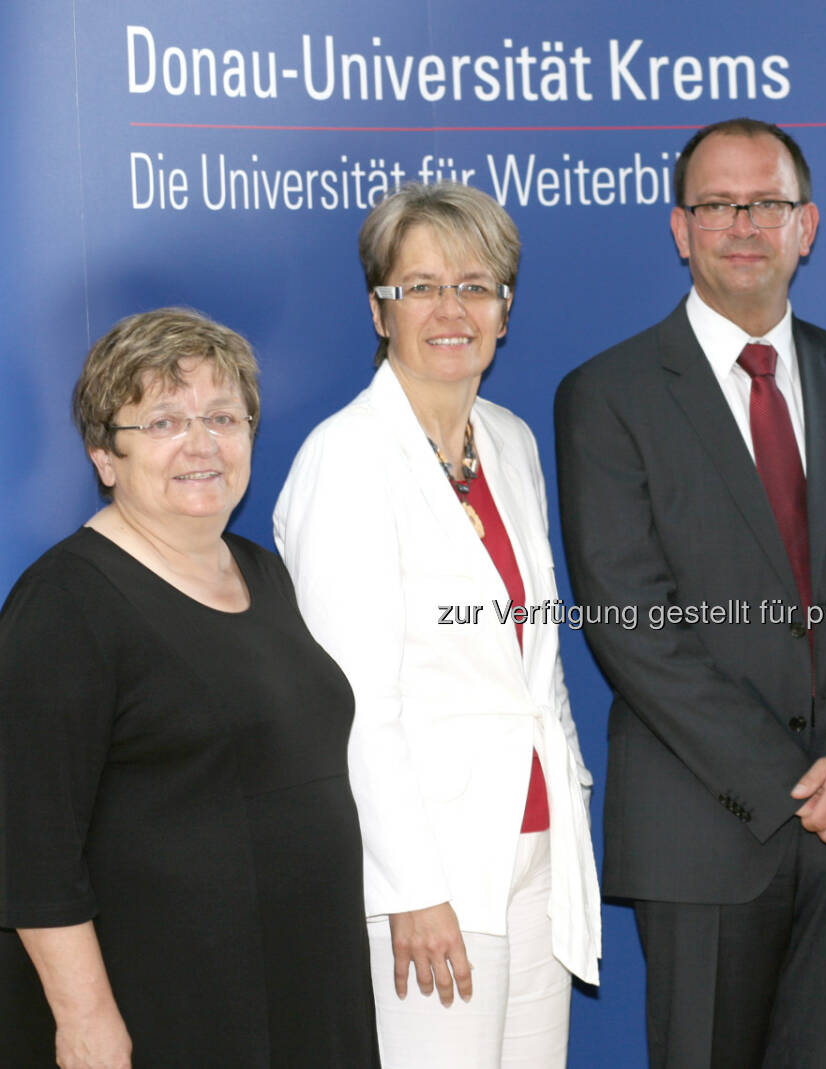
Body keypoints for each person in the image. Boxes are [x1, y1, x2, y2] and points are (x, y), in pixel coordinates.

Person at [554, 117, 826, 1068]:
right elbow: (631, 622)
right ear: (680, 229)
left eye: (766, 203)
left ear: (805, 226)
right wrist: (792, 785)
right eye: (717, 205)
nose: (743, 225)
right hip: (705, 830)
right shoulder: (607, 394)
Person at [273, 182, 600, 1068]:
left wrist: (565, 812)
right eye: (420, 287)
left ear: (505, 308)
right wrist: (411, 888)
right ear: (379, 311)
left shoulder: (511, 440)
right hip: (431, 867)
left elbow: (539, 664)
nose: (451, 309)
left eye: (475, 286)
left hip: (535, 851)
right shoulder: (347, 458)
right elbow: (351, 703)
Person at [0, 307, 379, 1068]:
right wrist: (85, 1019)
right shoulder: (64, 604)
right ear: (105, 455)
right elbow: (29, 846)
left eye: (223, 416)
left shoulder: (262, 571)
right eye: (164, 421)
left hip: (306, 991)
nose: (202, 443)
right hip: (165, 1009)